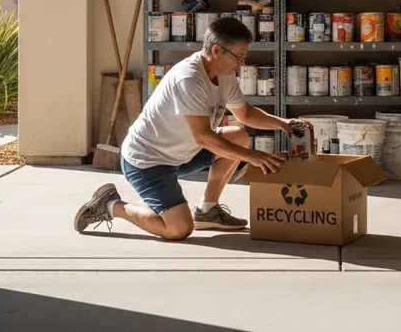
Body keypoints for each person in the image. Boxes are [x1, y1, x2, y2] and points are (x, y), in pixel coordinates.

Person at [74, 16, 308, 240]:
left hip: (183, 154)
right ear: (216, 50)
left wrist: (283, 124)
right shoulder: (189, 79)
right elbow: (204, 137)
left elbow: (244, 113)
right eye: (239, 56)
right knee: (178, 229)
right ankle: (110, 205)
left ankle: (208, 210)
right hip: (147, 161)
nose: (242, 63)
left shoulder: (224, 75)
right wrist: (254, 157)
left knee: (237, 135)